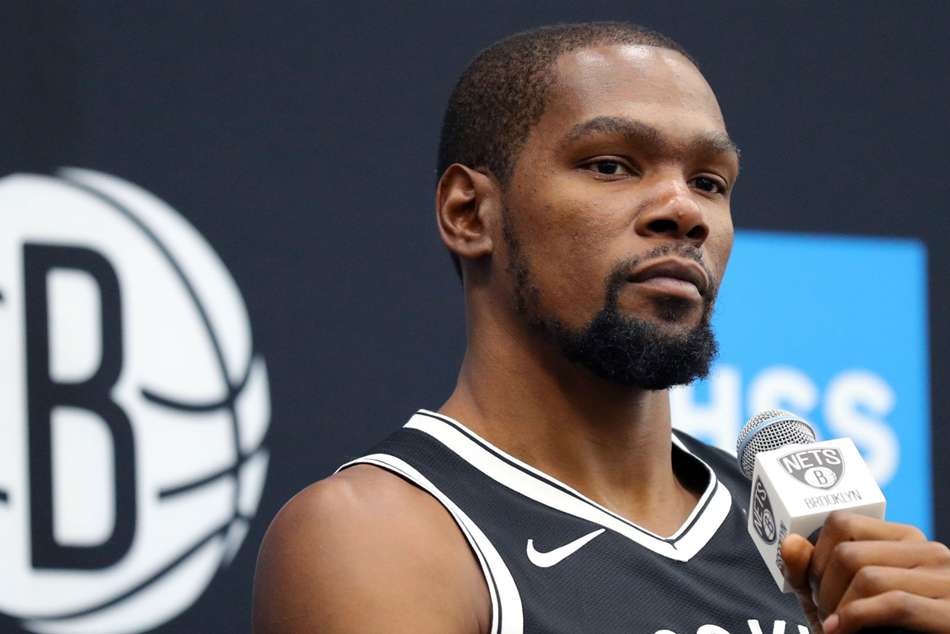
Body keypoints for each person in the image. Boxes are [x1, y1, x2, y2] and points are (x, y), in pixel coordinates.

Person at [253, 22, 950, 634]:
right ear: (469, 213)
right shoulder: (380, 532)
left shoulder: (804, 550)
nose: (684, 210)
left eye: (710, 182)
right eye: (611, 166)